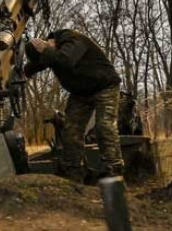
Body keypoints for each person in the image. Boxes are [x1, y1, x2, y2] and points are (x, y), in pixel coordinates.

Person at [24, 29, 124, 182]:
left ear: (49, 42)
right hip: (80, 93)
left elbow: (66, 60)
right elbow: (45, 62)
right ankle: (73, 172)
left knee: (104, 126)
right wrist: (26, 70)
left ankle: (113, 169)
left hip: (104, 86)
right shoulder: (52, 52)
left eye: (48, 51)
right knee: (70, 130)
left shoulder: (72, 38)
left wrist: (46, 51)